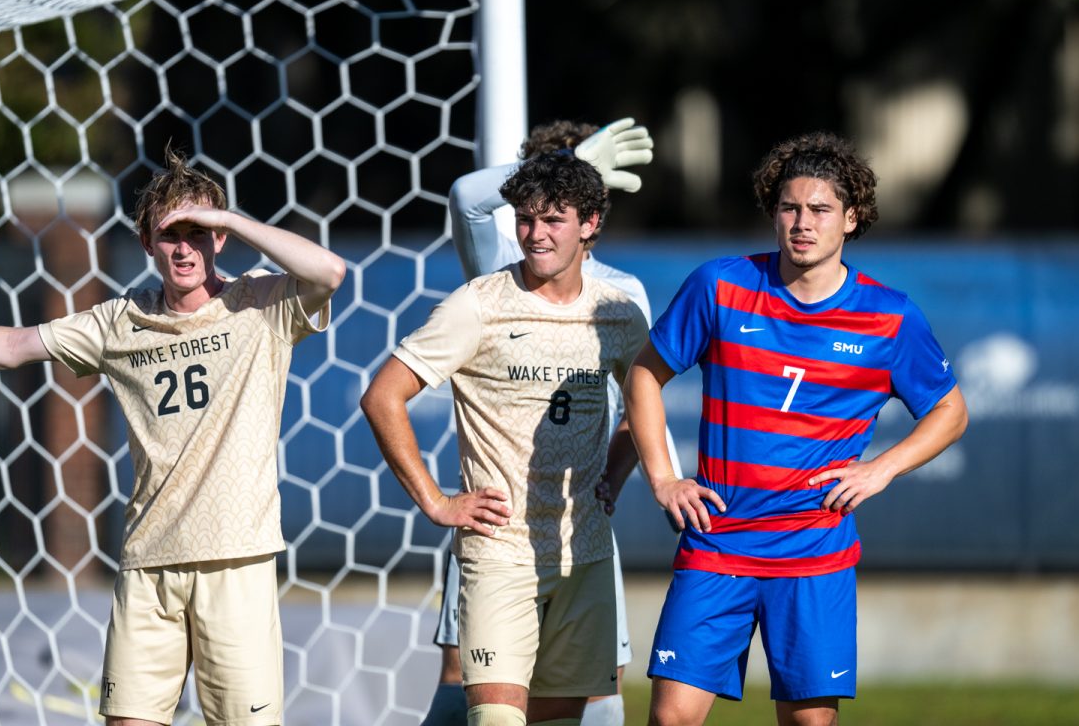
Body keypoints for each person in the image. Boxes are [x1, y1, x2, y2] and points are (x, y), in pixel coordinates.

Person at [0, 147, 346, 726]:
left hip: (235, 560)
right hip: (148, 563)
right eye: (170, 234)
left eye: (198, 232)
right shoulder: (119, 321)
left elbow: (330, 272)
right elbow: (12, 346)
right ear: (148, 243)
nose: (186, 248)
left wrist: (228, 217)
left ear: (219, 240)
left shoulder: (260, 304)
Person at [622, 132, 969, 726]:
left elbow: (950, 411)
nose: (802, 223)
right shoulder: (720, 286)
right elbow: (644, 375)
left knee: (809, 723)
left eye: (820, 209)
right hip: (717, 544)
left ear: (850, 219)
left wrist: (882, 468)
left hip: (815, 550)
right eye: (789, 208)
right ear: (773, 212)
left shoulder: (890, 315)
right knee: (670, 718)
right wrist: (662, 480)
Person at [361, 151, 649, 726]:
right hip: (498, 554)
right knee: (494, 718)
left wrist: (614, 475)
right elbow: (383, 396)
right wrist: (436, 501)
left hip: (583, 554)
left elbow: (646, 404)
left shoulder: (617, 312)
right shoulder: (478, 304)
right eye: (525, 219)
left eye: (553, 220)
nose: (535, 235)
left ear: (590, 224)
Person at [423, 117, 684, 726]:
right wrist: (574, 156)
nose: (538, 223)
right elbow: (467, 195)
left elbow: (638, 404)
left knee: (595, 685)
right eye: (527, 199)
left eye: (561, 197)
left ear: (592, 210)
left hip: (579, 529)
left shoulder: (622, 296)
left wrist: (618, 479)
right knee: (468, 678)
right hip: (500, 525)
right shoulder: (498, 262)